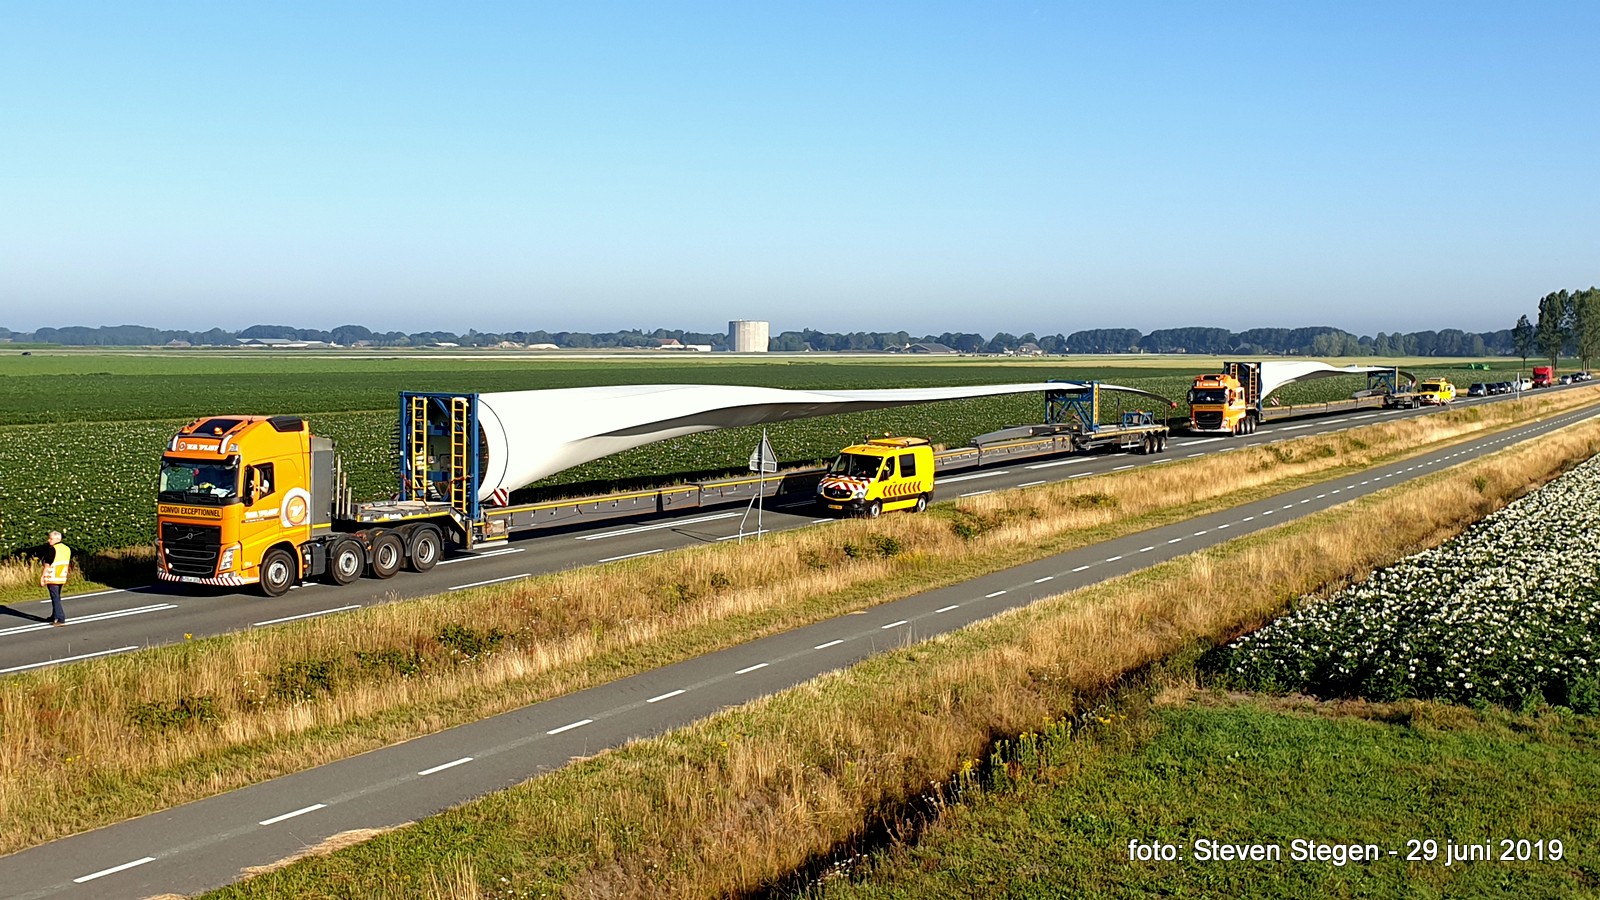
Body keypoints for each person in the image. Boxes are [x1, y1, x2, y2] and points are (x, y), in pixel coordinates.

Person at [39, 531, 71, 626]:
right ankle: (54, 616)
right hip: (62, 576)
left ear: (57, 539)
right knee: (57, 597)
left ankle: (60, 618)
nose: (49, 540)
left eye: (51, 538)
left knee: (55, 597)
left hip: (52, 576)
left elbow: (47, 564)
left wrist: (42, 577)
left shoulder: (53, 549)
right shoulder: (67, 548)